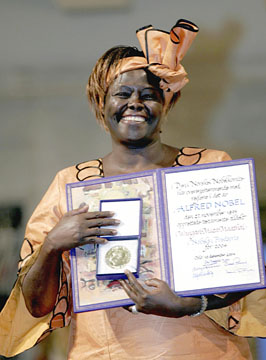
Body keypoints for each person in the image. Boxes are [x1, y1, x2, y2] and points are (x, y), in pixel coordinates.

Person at [1, 19, 266, 360]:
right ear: (102, 104)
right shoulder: (71, 184)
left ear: (166, 104)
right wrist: (53, 244)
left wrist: (188, 304)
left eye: (149, 95)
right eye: (123, 94)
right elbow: (38, 306)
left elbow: (240, 268)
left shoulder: (208, 168)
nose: (136, 102)